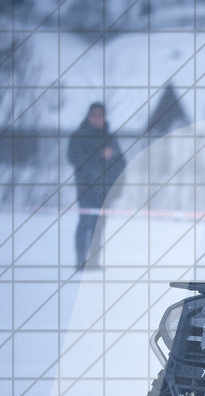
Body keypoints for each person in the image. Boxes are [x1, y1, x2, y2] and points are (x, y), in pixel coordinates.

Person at [67, 102, 124, 270]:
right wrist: (100, 156)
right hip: (86, 189)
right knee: (85, 222)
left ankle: (93, 261)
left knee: (98, 226)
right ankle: (80, 261)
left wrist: (116, 188)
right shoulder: (79, 136)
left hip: (105, 192)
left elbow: (121, 164)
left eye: (101, 115)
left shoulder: (110, 138)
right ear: (88, 115)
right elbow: (75, 159)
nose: (98, 118)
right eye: (94, 114)